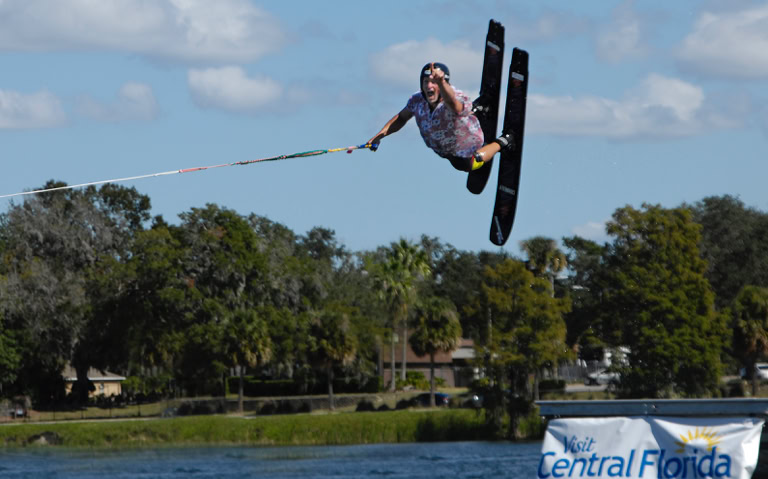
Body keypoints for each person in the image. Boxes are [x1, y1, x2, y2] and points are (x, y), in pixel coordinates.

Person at [367, 62, 514, 172]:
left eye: (434, 82)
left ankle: (504, 141)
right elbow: (401, 118)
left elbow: (453, 104)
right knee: (455, 158)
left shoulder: (451, 96)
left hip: (466, 143)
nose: (429, 86)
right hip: (446, 150)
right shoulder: (417, 100)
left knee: (469, 165)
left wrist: (441, 82)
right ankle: (479, 108)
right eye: (426, 82)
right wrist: (379, 136)